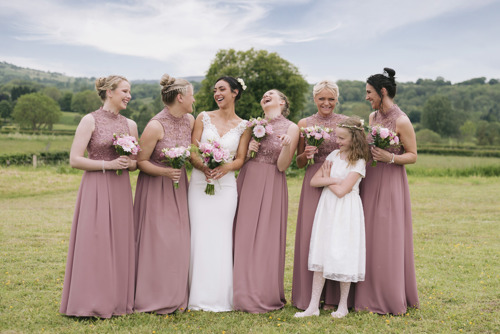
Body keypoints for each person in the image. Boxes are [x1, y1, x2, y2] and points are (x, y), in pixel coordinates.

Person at [60, 75, 138, 318]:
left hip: (120, 188)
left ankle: (116, 301)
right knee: (95, 241)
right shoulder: (89, 120)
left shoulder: (131, 124)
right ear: (109, 92)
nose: (129, 96)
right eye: (125, 91)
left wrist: (128, 162)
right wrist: (108, 163)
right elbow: (75, 159)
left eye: (130, 91)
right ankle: (89, 301)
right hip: (95, 185)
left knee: (119, 241)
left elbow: (135, 164)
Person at [355, 67, 419, 315]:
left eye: (369, 92)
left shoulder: (401, 120)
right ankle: (365, 293)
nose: (366, 97)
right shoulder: (372, 118)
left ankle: (389, 294)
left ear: (382, 91)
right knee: (368, 235)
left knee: (387, 235)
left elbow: (413, 156)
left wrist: (389, 158)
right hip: (370, 180)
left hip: (391, 180)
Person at [294, 117, 369, 319]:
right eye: (337, 136)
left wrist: (327, 181)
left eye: (342, 138)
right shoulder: (334, 154)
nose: (338, 141)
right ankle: (312, 306)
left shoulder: (359, 161)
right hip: (327, 208)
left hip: (346, 210)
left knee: (344, 252)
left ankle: (343, 305)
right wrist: (334, 179)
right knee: (322, 249)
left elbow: (343, 191)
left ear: (354, 139)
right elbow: (313, 181)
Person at [187, 76, 251, 312]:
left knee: (222, 236)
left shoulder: (244, 125)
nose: (217, 93)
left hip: (226, 187)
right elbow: (193, 150)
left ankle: (221, 296)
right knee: (199, 234)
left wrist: (224, 168)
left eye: (222, 89)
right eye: (215, 90)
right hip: (199, 183)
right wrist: (203, 166)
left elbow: (241, 159)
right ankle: (196, 294)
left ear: (235, 92)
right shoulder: (203, 117)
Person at [233, 89, 300, 313]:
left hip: (271, 182)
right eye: (263, 95)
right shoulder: (253, 125)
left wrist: (288, 145)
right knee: (242, 233)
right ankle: (238, 290)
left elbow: (282, 166)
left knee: (265, 237)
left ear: (282, 101)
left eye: (271, 94)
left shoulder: (292, 127)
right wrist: (250, 150)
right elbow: (239, 159)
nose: (266, 95)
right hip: (248, 178)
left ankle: (261, 290)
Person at [133, 74, 195, 314]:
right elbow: (140, 162)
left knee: (179, 241)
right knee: (159, 242)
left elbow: (192, 153)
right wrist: (165, 172)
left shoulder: (189, 120)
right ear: (180, 97)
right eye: (191, 96)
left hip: (179, 188)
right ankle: (154, 297)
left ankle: (177, 295)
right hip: (156, 188)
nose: (194, 100)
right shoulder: (155, 125)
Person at [292, 80, 349, 310]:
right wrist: (306, 154)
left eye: (331, 99)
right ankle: (308, 297)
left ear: (337, 100)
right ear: (314, 99)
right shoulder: (304, 124)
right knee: (311, 237)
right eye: (322, 99)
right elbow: (298, 163)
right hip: (314, 182)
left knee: (336, 237)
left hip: (338, 182)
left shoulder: (345, 123)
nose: (327, 103)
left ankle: (333, 299)